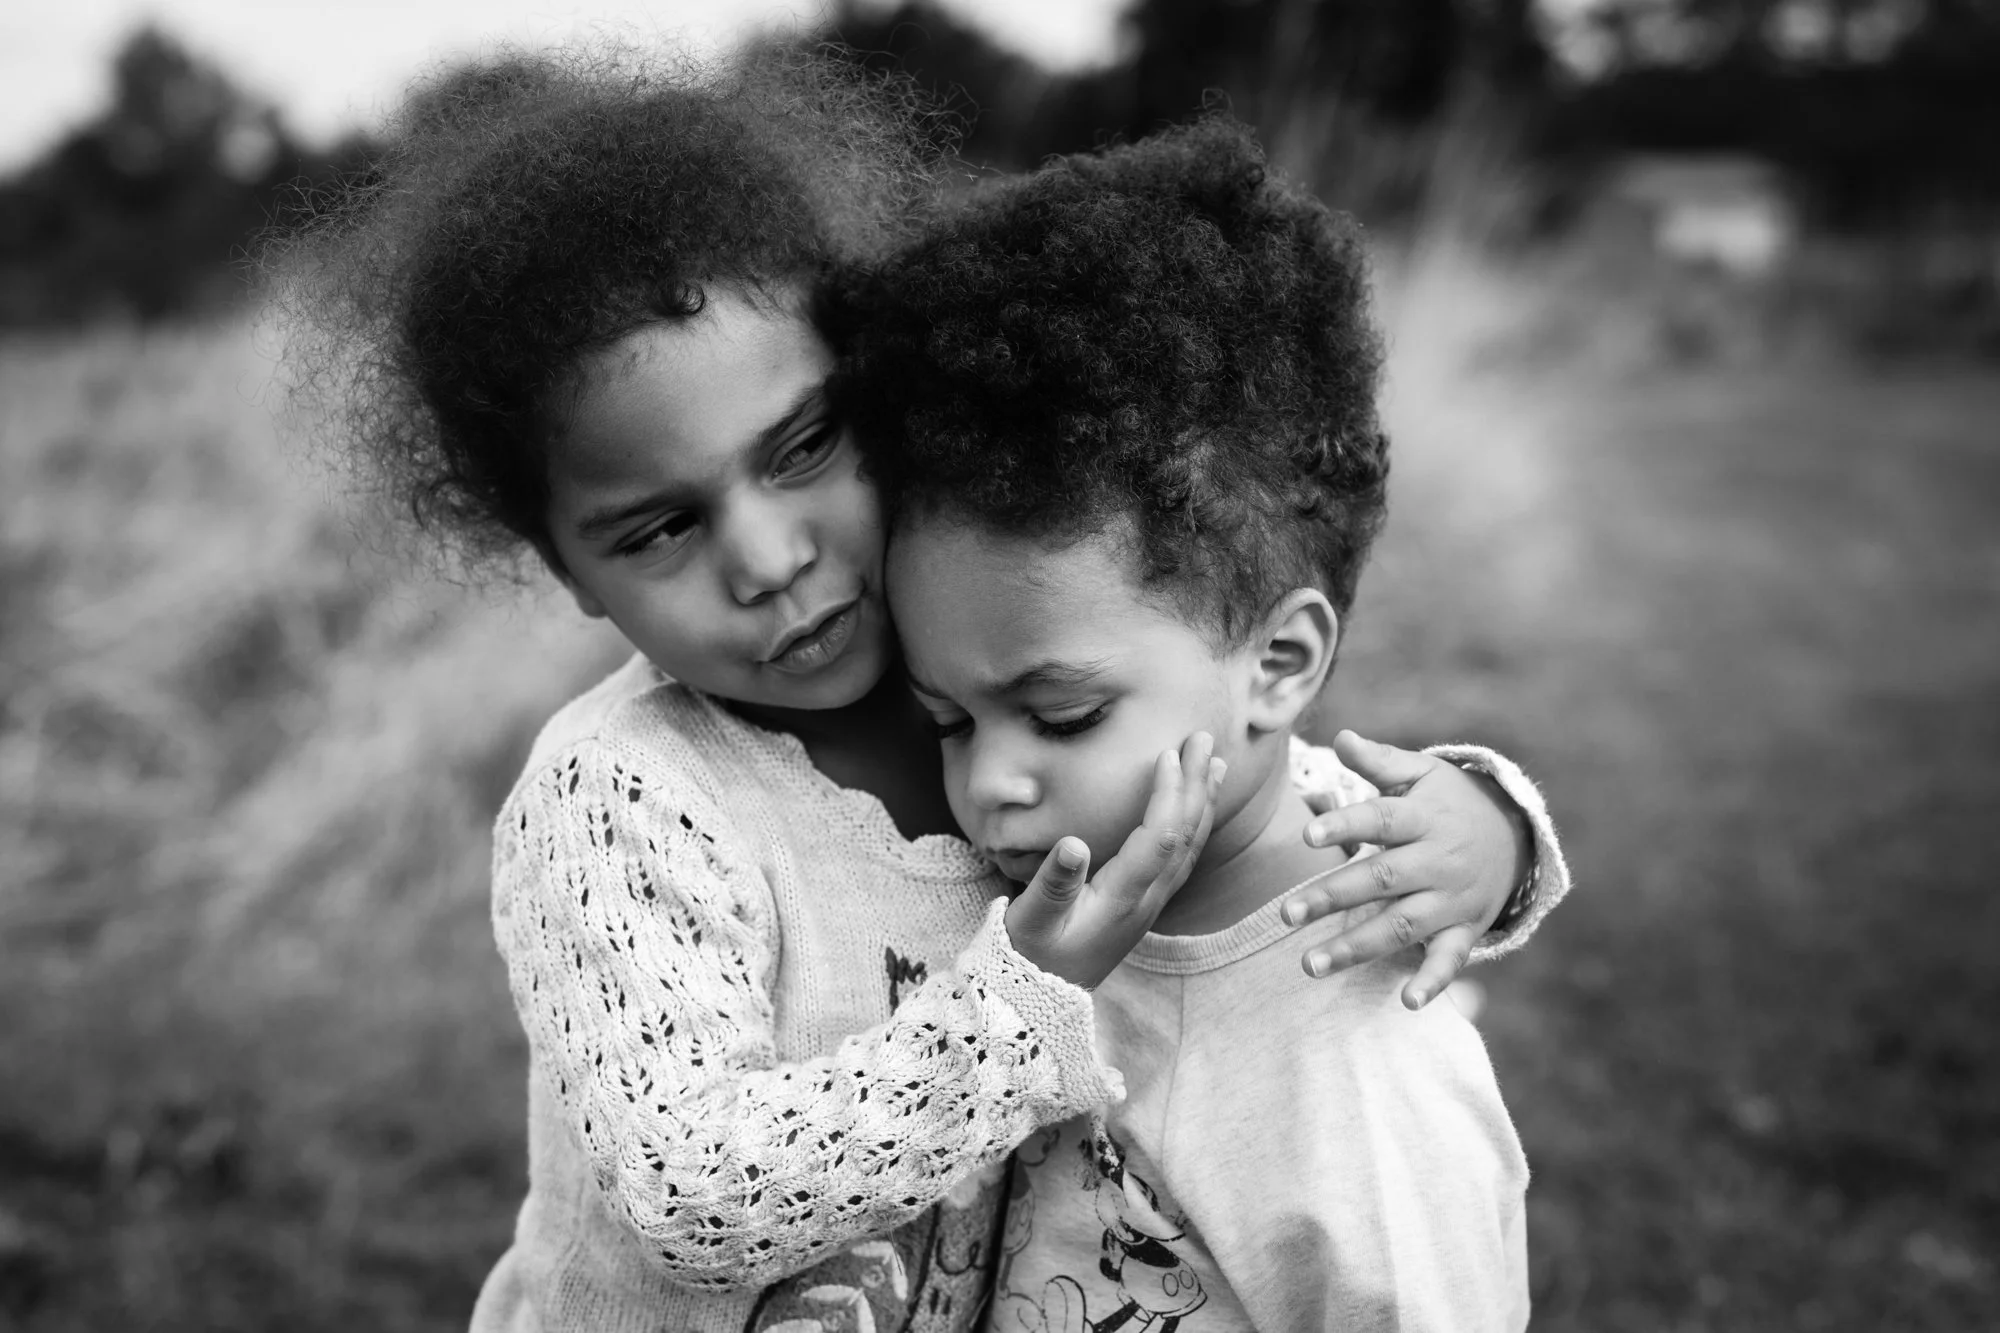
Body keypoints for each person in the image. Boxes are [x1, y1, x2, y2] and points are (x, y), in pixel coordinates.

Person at [275, 45, 1565, 1333]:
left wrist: (1486, 828)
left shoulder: (964, 679)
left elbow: (1216, 755)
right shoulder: (620, 801)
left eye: (802, 446)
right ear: (568, 571)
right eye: (660, 527)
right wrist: (1015, 1013)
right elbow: (689, 1194)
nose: (768, 561)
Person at [837, 118, 1533, 1331]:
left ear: (1277, 664)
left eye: (1062, 715)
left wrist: (1498, 829)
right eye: (945, 719)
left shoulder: (1356, 1073)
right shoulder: (1013, 898)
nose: (991, 783)